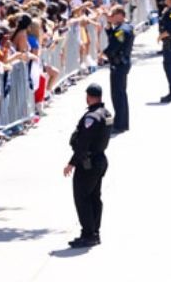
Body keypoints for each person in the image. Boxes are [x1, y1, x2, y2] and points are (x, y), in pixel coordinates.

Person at [63, 83, 112, 248]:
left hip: (88, 163)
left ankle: (88, 234)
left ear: (90, 97)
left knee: (82, 198)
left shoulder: (91, 117)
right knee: (94, 197)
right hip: (100, 160)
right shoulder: (106, 113)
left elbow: (83, 144)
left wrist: (71, 163)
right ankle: (94, 232)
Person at [99, 6, 133, 134]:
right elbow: (112, 36)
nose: (110, 18)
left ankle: (120, 124)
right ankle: (121, 121)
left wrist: (102, 54)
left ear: (120, 15)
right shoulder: (123, 28)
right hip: (120, 64)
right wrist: (108, 24)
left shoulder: (122, 31)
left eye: (112, 16)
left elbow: (113, 46)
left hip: (119, 64)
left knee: (118, 95)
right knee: (119, 94)